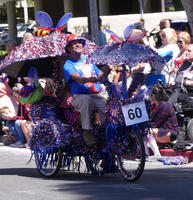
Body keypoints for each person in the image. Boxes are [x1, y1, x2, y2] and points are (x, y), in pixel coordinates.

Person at [63, 33, 112, 146]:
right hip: (79, 96)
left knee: (107, 105)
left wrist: (107, 69)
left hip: (96, 94)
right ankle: (87, 131)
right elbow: (79, 79)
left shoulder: (88, 59)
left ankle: (106, 131)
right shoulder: (68, 65)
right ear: (69, 49)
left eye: (79, 42)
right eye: (74, 43)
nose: (78, 45)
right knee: (86, 100)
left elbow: (100, 75)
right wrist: (92, 79)